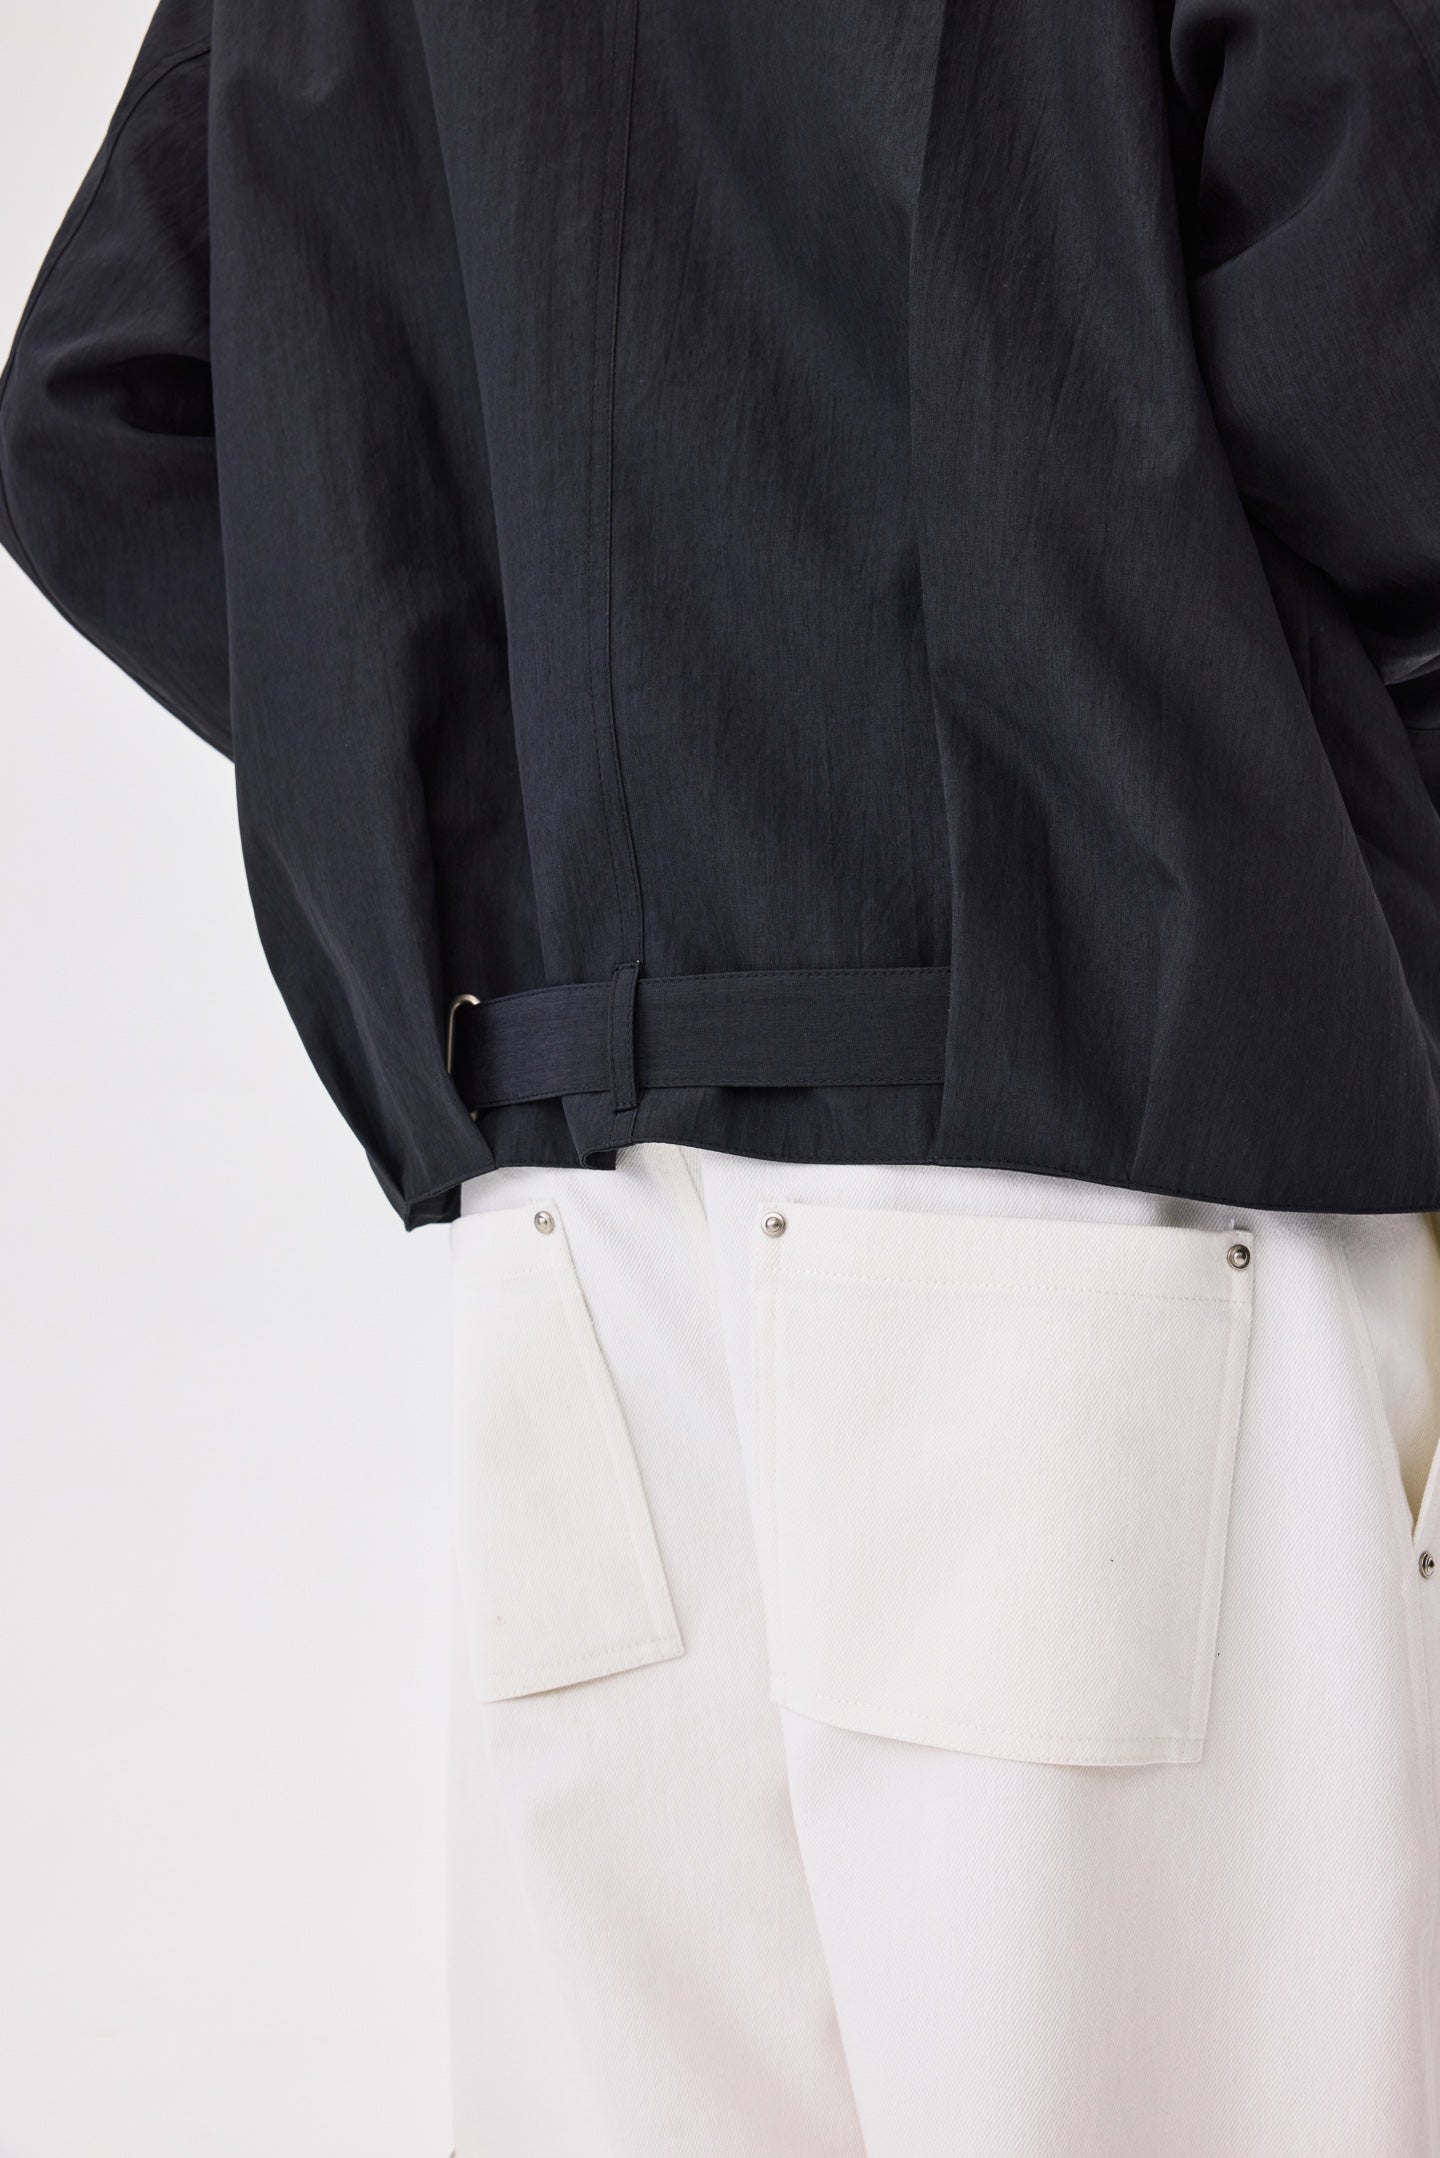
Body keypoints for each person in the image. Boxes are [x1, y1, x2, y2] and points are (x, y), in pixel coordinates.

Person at [4, 1, 1440, 2150]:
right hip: (1106, 1199)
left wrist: (496, 842)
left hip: (576, 1239)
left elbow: (102, 405)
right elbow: (1386, 350)